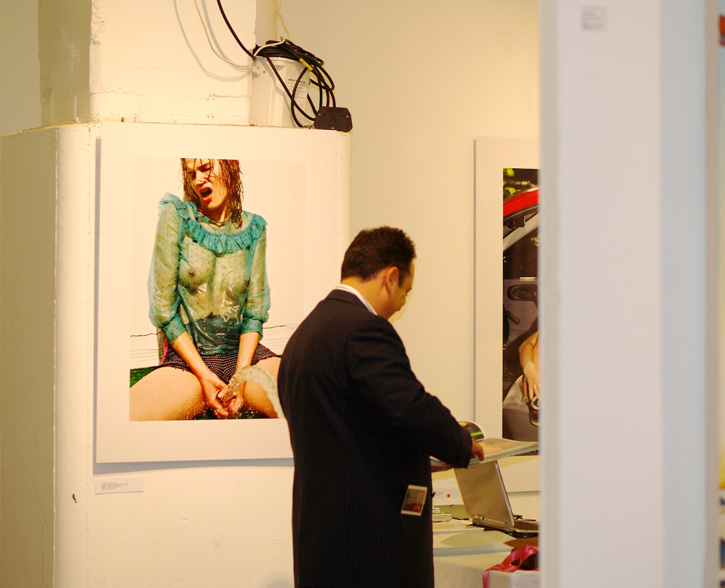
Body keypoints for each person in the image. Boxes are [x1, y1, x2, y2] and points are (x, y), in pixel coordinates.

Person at [278, 226, 484, 588]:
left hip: (323, 540)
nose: (403, 301)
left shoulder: (304, 335)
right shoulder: (363, 329)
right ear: (391, 277)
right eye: (406, 290)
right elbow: (409, 406)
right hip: (370, 545)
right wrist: (461, 442)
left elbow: (354, 427)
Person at [129, 158, 281, 421]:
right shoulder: (176, 216)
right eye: (191, 174)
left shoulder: (254, 228)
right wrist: (203, 374)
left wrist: (241, 378)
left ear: (230, 167)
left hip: (246, 356)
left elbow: (254, 311)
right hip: (189, 362)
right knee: (127, 416)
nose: (198, 179)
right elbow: (163, 308)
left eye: (206, 168)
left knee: (313, 403)